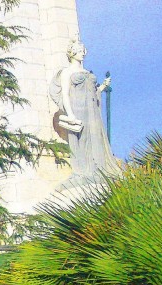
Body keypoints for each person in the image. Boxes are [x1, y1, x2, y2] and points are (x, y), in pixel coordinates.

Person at [51, 37, 119, 185]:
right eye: (79, 51)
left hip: (92, 109)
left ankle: (98, 169)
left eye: (83, 51)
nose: (82, 54)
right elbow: (65, 95)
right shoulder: (67, 72)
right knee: (81, 139)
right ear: (72, 53)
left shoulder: (87, 72)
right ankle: (82, 170)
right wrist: (70, 115)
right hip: (77, 107)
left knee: (96, 137)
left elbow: (93, 93)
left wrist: (102, 87)